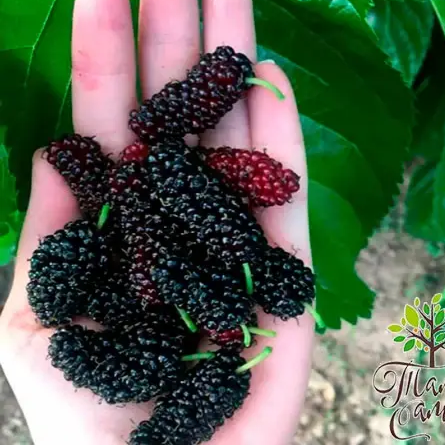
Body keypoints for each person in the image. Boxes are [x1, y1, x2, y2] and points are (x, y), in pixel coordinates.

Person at [0, 0, 315, 444]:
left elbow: (183, 260)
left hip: (181, 260)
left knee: (191, 239)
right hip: (164, 264)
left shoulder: (188, 262)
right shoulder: (141, 242)